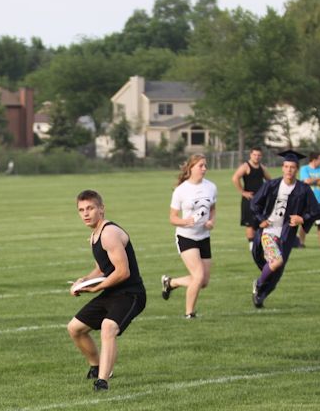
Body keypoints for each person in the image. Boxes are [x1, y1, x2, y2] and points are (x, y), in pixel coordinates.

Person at [67, 190, 147, 391]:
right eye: (81, 210)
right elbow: (102, 268)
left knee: (108, 327)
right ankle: (96, 366)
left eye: (90, 208)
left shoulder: (109, 233)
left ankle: (102, 380)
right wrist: (84, 281)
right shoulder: (94, 235)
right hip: (111, 292)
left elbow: (123, 272)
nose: (86, 213)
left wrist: (97, 287)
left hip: (131, 294)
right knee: (75, 328)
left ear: (101, 209)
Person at [249, 150, 320, 308]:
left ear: (297, 169)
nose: (289, 170)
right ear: (282, 168)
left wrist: (303, 218)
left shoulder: (303, 189)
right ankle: (258, 284)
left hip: (286, 235)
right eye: (286, 166)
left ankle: (260, 296)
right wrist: (261, 219)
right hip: (268, 232)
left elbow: (315, 210)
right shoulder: (271, 185)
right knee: (276, 262)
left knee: (277, 271)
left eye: (292, 167)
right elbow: (254, 203)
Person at [161, 154, 216, 319]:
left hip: (204, 237)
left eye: (205, 165)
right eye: (201, 166)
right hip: (186, 237)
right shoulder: (181, 191)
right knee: (198, 276)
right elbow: (172, 218)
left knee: (203, 282)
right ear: (191, 168)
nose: (204, 169)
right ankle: (189, 313)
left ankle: (171, 283)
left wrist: (211, 221)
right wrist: (185, 221)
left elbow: (212, 208)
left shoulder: (211, 187)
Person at [232, 147, 270, 249]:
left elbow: (270, 181)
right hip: (249, 200)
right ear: (250, 155)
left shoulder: (262, 168)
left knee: (259, 222)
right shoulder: (245, 166)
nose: (256, 157)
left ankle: (259, 244)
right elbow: (235, 178)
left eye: (259, 155)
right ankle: (251, 245)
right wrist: (243, 192)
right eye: (254, 155)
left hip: (260, 200)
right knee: (250, 223)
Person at [298, 152, 320, 248]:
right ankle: (301, 243)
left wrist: (312, 180)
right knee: (304, 223)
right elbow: (306, 181)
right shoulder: (304, 169)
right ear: (314, 160)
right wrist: (318, 179)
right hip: (307, 202)